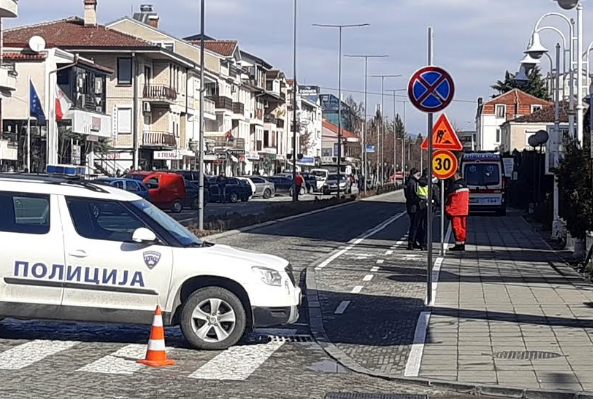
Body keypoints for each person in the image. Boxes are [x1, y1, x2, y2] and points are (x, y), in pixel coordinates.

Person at [445, 171, 470, 252]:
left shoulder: (455, 186)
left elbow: (448, 194)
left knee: (456, 227)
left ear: (456, 175)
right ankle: (462, 243)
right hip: (464, 210)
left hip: (456, 210)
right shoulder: (465, 185)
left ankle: (458, 244)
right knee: (463, 227)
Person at [404, 168, 422, 250]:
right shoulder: (412, 182)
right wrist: (419, 200)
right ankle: (411, 243)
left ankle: (413, 242)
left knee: (415, 225)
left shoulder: (409, 181)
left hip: (411, 206)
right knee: (414, 226)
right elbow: (411, 196)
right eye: (418, 175)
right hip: (413, 207)